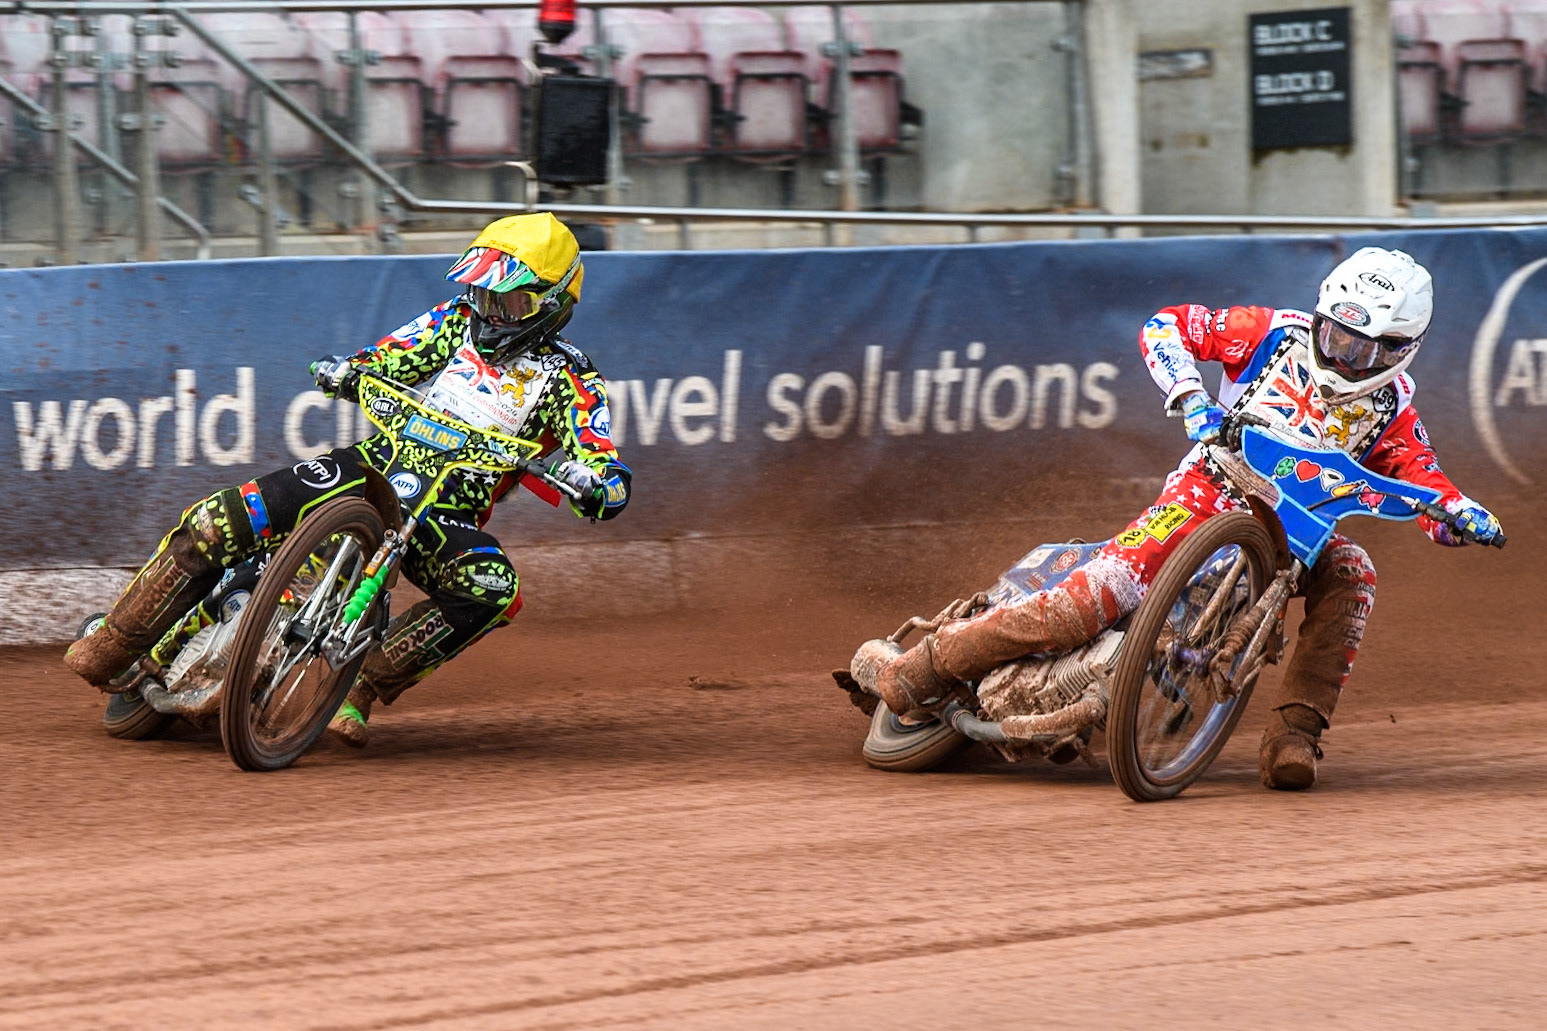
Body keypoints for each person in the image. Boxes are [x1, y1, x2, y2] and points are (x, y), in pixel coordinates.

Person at [874, 246, 1503, 790]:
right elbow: (1164, 326)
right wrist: (1190, 396)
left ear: (1403, 350)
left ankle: (1295, 736)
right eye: (1337, 336)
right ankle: (918, 670)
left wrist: (1458, 517)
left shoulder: (1395, 413)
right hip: (1204, 493)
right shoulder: (1270, 333)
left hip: (1295, 537)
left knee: (1355, 572)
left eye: (1365, 349)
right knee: (1082, 605)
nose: (1344, 359)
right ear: (1320, 315)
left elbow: (1427, 489)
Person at [65, 212, 631, 748]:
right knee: (223, 518)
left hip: (443, 515)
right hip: (369, 469)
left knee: (493, 588)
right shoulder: (454, 321)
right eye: (484, 294)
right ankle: (116, 641)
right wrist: (350, 369)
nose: (490, 311)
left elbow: (605, 465)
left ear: (552, 305)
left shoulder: (570, 380)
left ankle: (363, 682)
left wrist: (594, 482)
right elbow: (389, 357)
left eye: (509, 300)